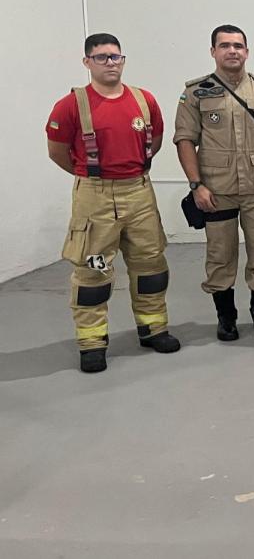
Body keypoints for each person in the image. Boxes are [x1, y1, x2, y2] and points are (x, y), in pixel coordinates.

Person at [46, 33, 180, 373]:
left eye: (116, 57)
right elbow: (57, 152)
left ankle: (153, 328)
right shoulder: (71, 105)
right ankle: (92, 342)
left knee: (150, 263)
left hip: (139, 192)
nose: (111, 63)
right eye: (102, 57)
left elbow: (157, 140)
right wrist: (91, 176)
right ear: (87, 62)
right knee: (93, 270)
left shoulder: (143, 100)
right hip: (95, 197)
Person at [174, 24, 254, 341]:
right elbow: (184, 139)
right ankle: (226, 318)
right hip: (216, 190)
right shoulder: (195, 92)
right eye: (225, 45)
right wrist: (195, 185)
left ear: (247, 51)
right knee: (220, 256)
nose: (232, 51)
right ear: (213, 51)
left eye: (238, 45)